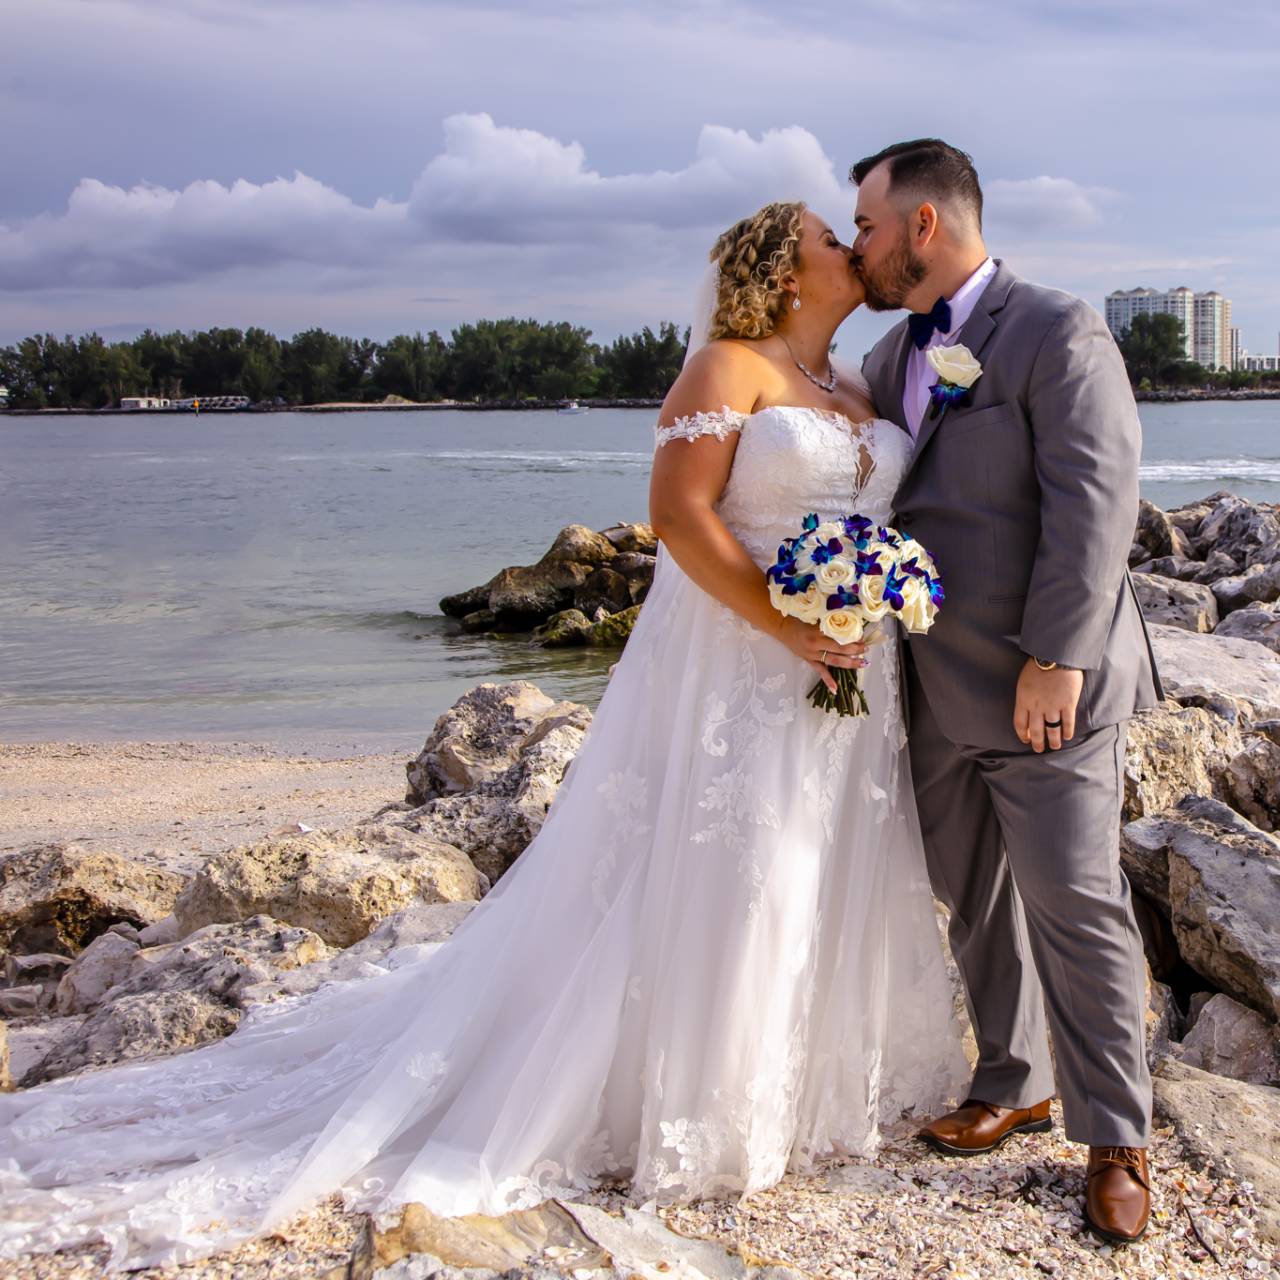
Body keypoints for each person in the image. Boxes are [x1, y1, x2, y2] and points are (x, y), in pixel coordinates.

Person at [0, 200, 970, 1272]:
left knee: (815, 856)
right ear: (787, 271)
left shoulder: (863, 385)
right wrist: (789, 624)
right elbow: (683, 519)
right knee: (732, 858)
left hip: (847, 666)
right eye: (833, 235)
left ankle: (807, 1087)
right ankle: (703, 1100)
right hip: (745, 657)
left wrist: (869, 602)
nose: (852, 243)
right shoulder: (724, 370)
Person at [850, 138, 1166, 1244]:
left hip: (1047, 684)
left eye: (870, 227)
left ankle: (1119, 1137)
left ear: (924, 226)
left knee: (1075, 901)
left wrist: (1060, 655)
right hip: (930, 683)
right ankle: (1012, 1075)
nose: (861, 248)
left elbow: (1097, 498)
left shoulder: (1055, 328)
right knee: (971, 893)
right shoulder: (891, 357)